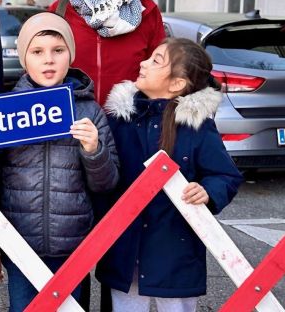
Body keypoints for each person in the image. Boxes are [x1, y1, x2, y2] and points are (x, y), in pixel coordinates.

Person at [98, 38, 243, 312]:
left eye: (156, 61)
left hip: (176, 254)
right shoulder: (119, 120)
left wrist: (208, 191)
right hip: (125, 253)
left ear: (176, 83)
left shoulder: (197, 126)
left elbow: (225, 175)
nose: (143, 63)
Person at [0, 13, 119, 312]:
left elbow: (107, 182)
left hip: (72, 245)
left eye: (58, 51)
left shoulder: (89, 110)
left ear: (70, 56)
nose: (48, 60)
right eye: (37, 52)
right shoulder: (5, 110)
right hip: (19, 243)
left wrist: (93, 150)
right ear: (24, 59)